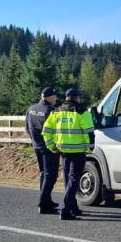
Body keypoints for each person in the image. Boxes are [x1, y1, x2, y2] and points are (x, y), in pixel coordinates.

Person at [42, 88, 95, 220]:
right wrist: (90, 149)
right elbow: (89, 133)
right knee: (74, 180)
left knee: (68, 180)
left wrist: (51, 146)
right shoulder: (82, 112)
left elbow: (46, 130)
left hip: (63, 151)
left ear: (66, 97)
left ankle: (73, 207)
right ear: (77, 98)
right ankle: (66, 210)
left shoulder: (56, 111)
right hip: (78, 151)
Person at [26, 87, 60, 214]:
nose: (56, 98)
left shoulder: (31, 109)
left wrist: (35, 142)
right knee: (51, 175)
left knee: (43, 174)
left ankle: (47, 201)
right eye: (55, 96)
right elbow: (56, 130)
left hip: (37, 146)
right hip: (49, 147)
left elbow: (27, 129)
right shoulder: (50, 110)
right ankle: (43, 202)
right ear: (49, 97)